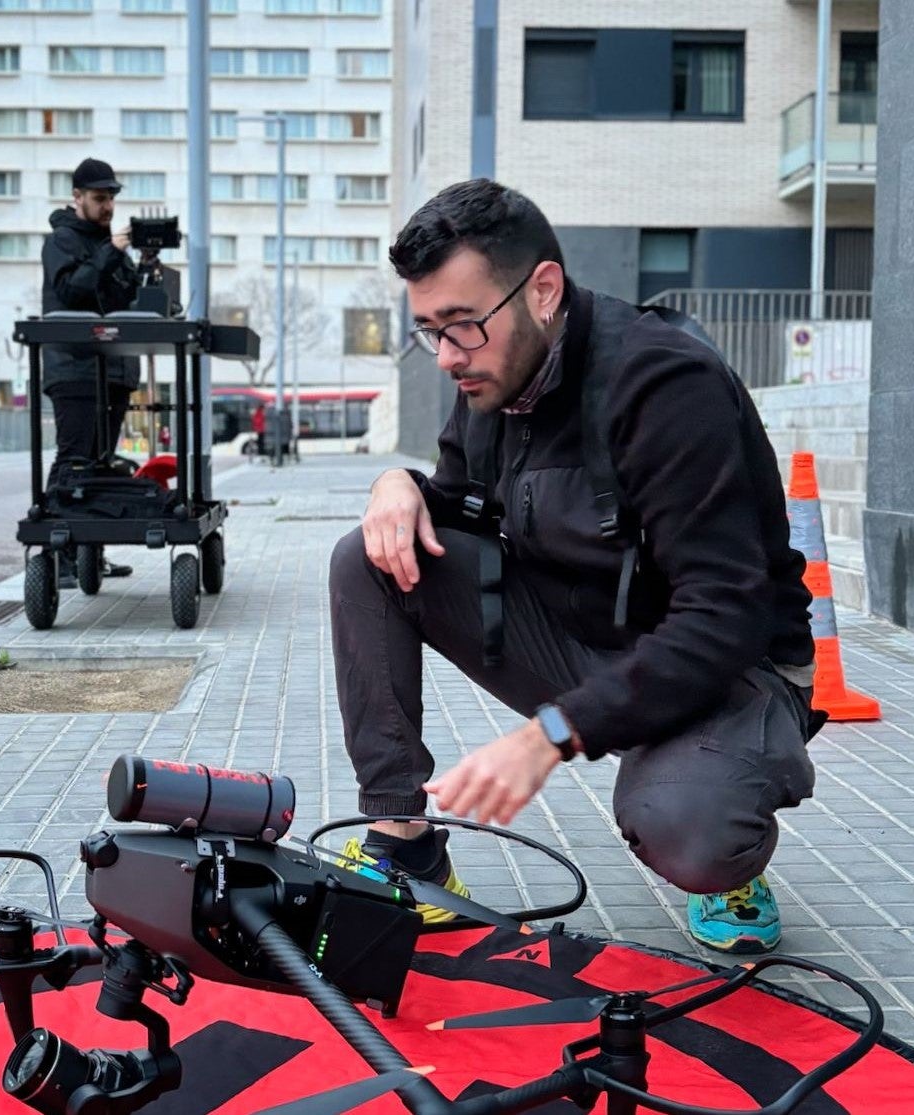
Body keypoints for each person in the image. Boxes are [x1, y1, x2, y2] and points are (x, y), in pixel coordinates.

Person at [328, 179, 821, 954]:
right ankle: (405, 847)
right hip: (592, 637)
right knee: (372, 557)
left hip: (730, 668)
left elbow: (727, 613)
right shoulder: (493, 379)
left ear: (544, 290)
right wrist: (398, 484)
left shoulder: (664, 384)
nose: (449, 357)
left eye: (463, 325)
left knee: (687, 829)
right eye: (430, 331)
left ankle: (728, 843)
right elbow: (454, 506)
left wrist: (548, 735)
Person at [41, 156, 140, 578]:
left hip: (111, 372)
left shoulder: (107, 246)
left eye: (111, 199)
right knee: (74, 459)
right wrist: (112, 252)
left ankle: (89, 555)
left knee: (99, 465)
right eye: (99, 199)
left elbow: (126, 298)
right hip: (74, 369)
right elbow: (72, 290)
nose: (108, 208)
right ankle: (58, 554)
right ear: (77, 197)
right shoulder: (62, 240)